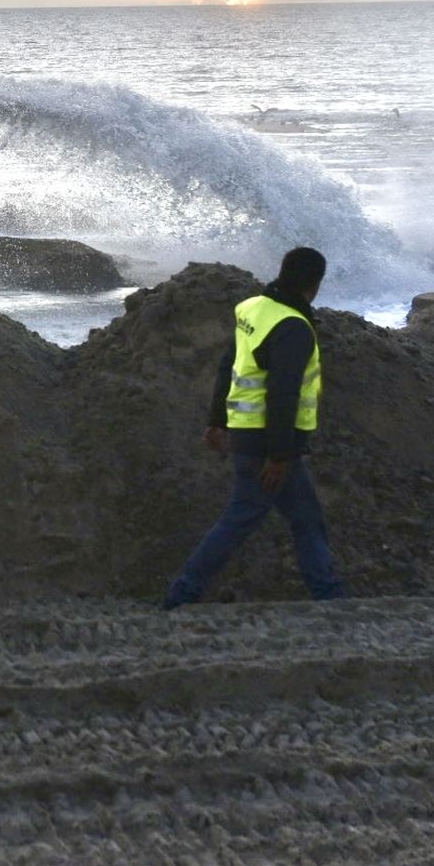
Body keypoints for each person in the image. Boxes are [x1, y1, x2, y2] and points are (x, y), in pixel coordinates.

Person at [163, 247, 348, 608]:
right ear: (315, 285)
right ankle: (183, 594)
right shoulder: (293, 328)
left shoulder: (253, 309)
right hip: (268, 443)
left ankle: (329, 596)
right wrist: (279, 455)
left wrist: (217, 420)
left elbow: (228, 364)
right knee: (241, 517)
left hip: (247, 431)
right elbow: (283, 394)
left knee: (305, 517)